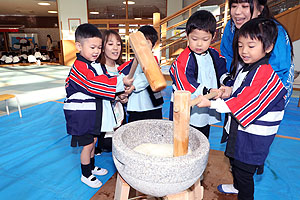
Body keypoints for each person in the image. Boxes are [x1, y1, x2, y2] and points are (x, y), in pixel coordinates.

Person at [196, 18, 287, 200]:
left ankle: (243, 191)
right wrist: (227, 91)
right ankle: (236, 186)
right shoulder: (248, 68)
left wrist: (211, 103)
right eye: (240, 45)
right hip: (241, 131)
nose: (244, 51)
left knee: (244, 172)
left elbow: (245, 102)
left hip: (252, 138)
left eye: (251, 46)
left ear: (268, 47)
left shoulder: (264, 73)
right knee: (235, 162)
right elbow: (241, 92)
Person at [63, 23, 133, 188]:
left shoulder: (92, 65)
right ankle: (86, 174)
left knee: (93, 140)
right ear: (79, 46)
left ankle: (92, 166)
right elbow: (94, 84)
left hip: (91, 112)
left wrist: (121, 84)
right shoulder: (80, 67)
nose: (96, 51)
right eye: (92, 47)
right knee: (87, 145)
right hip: (80, 114)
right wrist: (120, 82)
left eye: (99, 47)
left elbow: (106, 78)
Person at [169, 10, 231, 139]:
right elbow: (184, 81)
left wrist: (228, 84)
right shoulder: (184, 58)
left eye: (205, 39)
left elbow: (222, 72)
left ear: (213, 37)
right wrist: (207, 90)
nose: (199, 44)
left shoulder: (214, 54)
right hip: (188, 106)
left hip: (205, 104)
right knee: (183, 138)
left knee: (202, 134)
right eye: (194, 39)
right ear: (187, 36)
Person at [220, 0, 294, 106]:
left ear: (260, 9)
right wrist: (231, 83)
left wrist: (252, 95)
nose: (237, 12)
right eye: (234, 6)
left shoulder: (275, 33)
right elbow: (226, 56)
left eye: (245, 6)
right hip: (240, 86)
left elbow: (279, 71)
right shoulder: (231, 27)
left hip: (268, 91)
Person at [120, 25, 164, 123]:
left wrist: (133, 86)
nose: (143, 45)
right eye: (141, 42)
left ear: (152, 45)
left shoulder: (154, 61)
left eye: (147, 42)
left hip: (153, 106)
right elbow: (123, 78)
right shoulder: (128, 65)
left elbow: (148, 77)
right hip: (136, 108)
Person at [95, 29, 127, 154]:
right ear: (102, 47)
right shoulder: (98, 69)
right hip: (104, 114)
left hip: (119, 113)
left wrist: (125, 97)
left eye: (118, 44)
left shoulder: (121, 68)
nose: (115, 48)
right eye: (110, 44)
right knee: (106, 146)